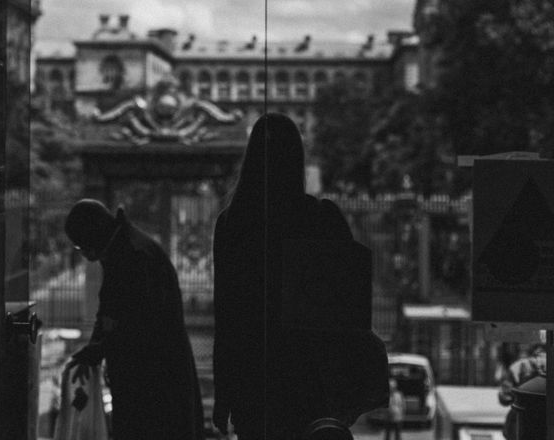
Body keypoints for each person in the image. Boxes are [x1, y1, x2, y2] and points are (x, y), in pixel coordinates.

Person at [212, 113, 389, 440]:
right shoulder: (322, 218)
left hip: (254, 382)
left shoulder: (232, 226)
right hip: (311, 381)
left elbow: (227, 318)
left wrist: (223, 400)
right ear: (297, 159)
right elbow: (348, 309)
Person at [64, 198, 204, 440]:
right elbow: (112, 313)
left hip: (153, 391)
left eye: (80, 247)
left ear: (92, 237)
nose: (83, 255)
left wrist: (99, 348)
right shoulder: (123, 249)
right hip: (151, 386)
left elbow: (140, 329)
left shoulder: (134, 258)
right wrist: (96, 346)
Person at [498, 342, 547, 440]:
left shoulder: (519, 366)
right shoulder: (520, 367)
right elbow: (504, 397)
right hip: (528, 423)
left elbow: (504, 397)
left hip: (521, 423)